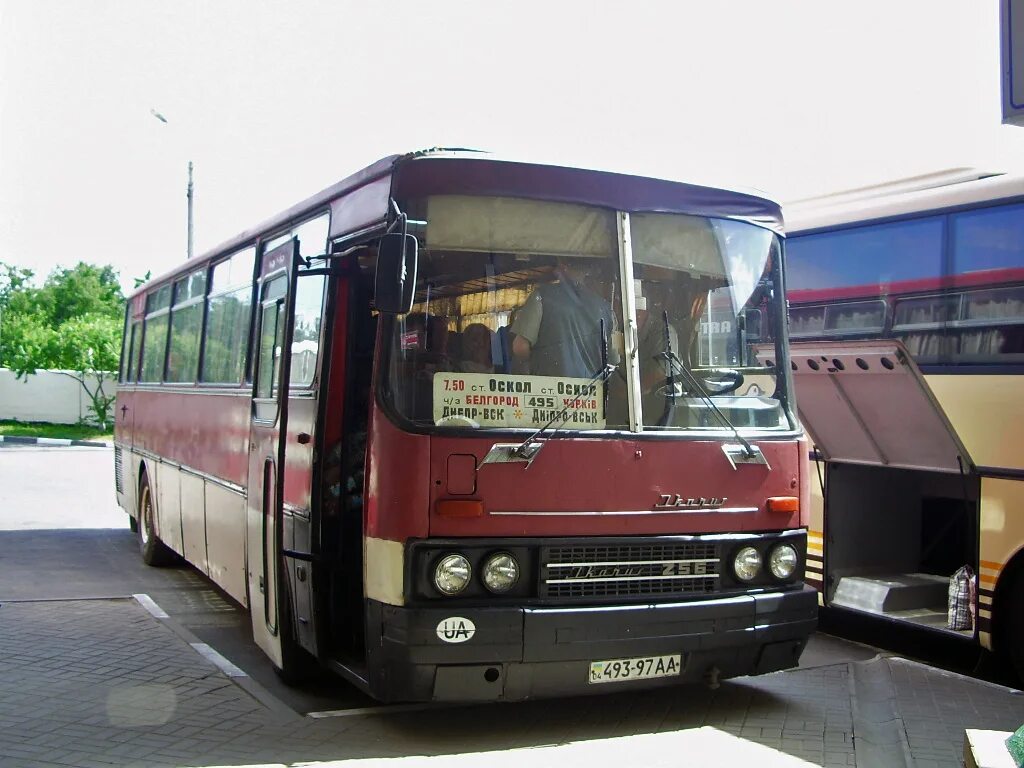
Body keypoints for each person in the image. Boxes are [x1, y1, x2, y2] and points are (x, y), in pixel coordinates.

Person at [509, 257, 616, 378]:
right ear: (588, 270)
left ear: (562, 264)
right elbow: (612, 359)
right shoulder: (605, 308)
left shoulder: (541, 297)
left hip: (551, 391)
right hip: (591, 393)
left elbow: (520, 347)